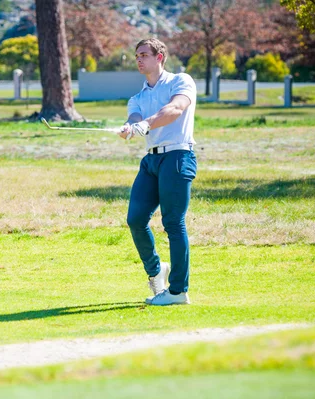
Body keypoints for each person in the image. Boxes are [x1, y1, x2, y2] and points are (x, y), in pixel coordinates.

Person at [119, 38, 197, 306]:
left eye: (144, 55)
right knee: (135, 219)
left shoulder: (181, 81)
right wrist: (130, 127)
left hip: (177, 156)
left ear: (159, 57)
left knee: (173, 223)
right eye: (136, 55)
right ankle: (156, 271)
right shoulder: (137, 97)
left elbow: (174, 109)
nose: (139, 60)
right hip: (151, 162)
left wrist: (146, 124)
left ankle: (178, 292)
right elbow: (134, 118)